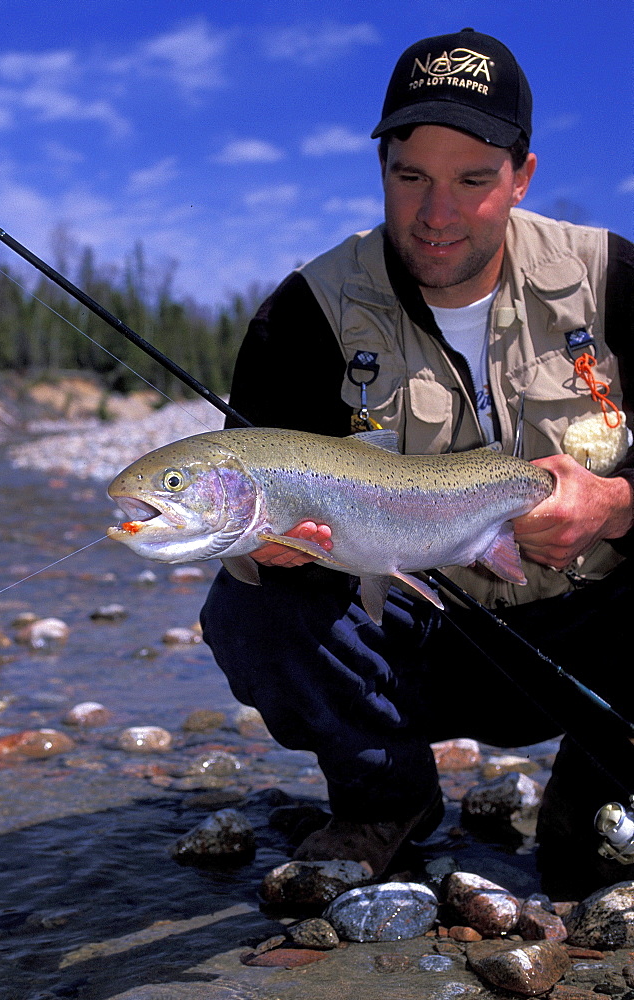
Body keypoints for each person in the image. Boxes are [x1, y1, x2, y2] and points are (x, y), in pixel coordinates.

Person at [201, 28, 634, 896]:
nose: (436, 213)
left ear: (521, 175)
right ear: (382, 170)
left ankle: (592, 791)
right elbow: (241, 488)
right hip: (414, 643)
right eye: (410, 178)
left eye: (473, 181)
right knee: (250, 607)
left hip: (591, 632)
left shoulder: (612, 277)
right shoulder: (304, 317)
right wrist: (259, 548)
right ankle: (383, 799)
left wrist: (619, 504)